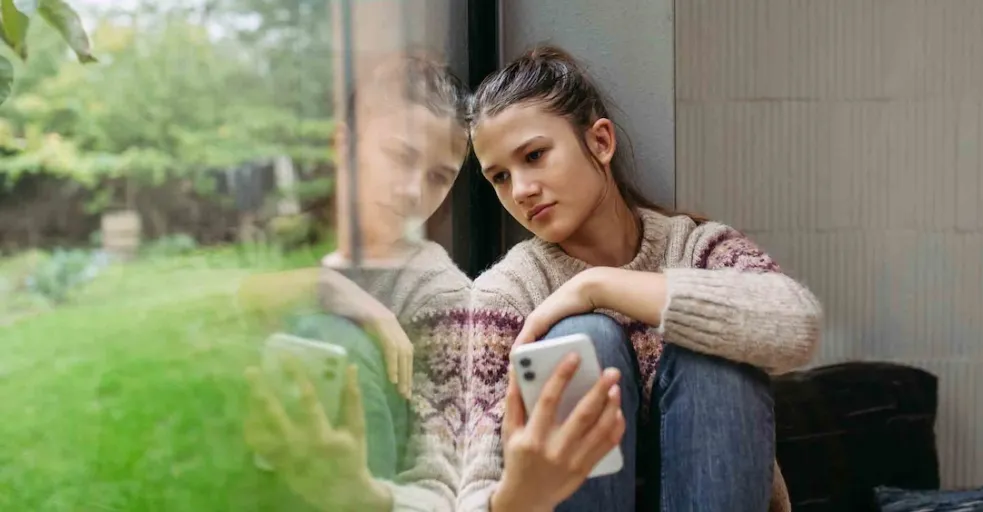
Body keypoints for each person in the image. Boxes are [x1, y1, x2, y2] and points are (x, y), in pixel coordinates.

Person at [460, 45, 823, 512]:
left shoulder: (695, 249)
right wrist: (519, 492)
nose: (521, 190)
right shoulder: (505, 295)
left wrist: (597, 286)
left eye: (535, 155)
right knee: (582, 339)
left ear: (600, 142)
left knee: (709, 351)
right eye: (499, 177)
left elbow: (798, 326)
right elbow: (472, 489)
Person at [238, 52, 471, 512]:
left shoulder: (440, 291)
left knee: (336, 338)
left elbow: (445, 477)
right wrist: (329, 287)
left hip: (372, 497)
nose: (413, 191)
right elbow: (226, 306)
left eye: (438, 177)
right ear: (342, 146)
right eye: (400, 157)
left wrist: (360, 495)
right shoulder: (303, 256)